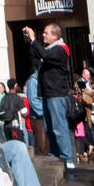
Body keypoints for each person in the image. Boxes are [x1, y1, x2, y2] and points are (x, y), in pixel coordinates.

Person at [24, 22, 75, 173]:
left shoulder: (60, 50)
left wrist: (34, 41)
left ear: (55, 36)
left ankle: (67, 157)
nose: (43, 35)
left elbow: (44, 55)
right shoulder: (49, 49)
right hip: (47, 93)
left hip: (56, 94)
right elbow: (37, 56)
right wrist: (30, 43)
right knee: (50, 127)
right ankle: (54, 153)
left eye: (46, 33)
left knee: (59, 127)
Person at [24, 68, 47, 155]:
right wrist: (45, 111)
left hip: (43, 117)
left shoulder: (42, 79)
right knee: (42, 146)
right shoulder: (33, 81)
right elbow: (33, 101)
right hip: (39, 118)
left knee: (46, 146)